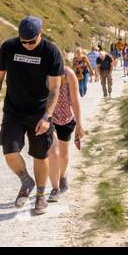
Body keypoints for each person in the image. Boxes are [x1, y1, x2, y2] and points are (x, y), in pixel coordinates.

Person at [0, 15, 64, 216]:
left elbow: (55, 89)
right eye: (24, 42)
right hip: (14, 110)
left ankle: (40, 196)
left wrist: (47, 116)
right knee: (9, 151)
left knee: (40, 154)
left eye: (32, 41)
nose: (28, 45)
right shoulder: (8, 47)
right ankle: (25, 180)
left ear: (40, 34)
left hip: (39, 112)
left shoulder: (51, 51)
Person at [46, 62, 83, 203]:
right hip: (49, 118)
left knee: (64, 154)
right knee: (53, 152)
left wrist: (79, 124)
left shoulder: (68, 74)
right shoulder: (43, 73)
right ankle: (54, 188)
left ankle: (62, 176)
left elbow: (75, 99)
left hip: (67, 118)